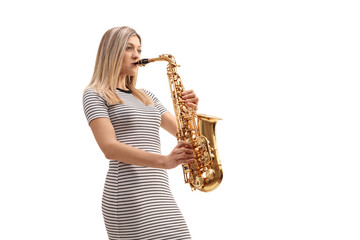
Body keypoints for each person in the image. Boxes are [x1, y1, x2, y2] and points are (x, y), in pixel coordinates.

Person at [83, 26, 199, 240]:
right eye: (129, 48)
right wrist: (165, 161)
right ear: (111, 51)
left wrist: (191, 112)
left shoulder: (147, 96)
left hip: (159, 193)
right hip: (128, 195)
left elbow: (185, 134)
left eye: (139, 49)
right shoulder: (95, 94)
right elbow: (109, 148)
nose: (137, 55)